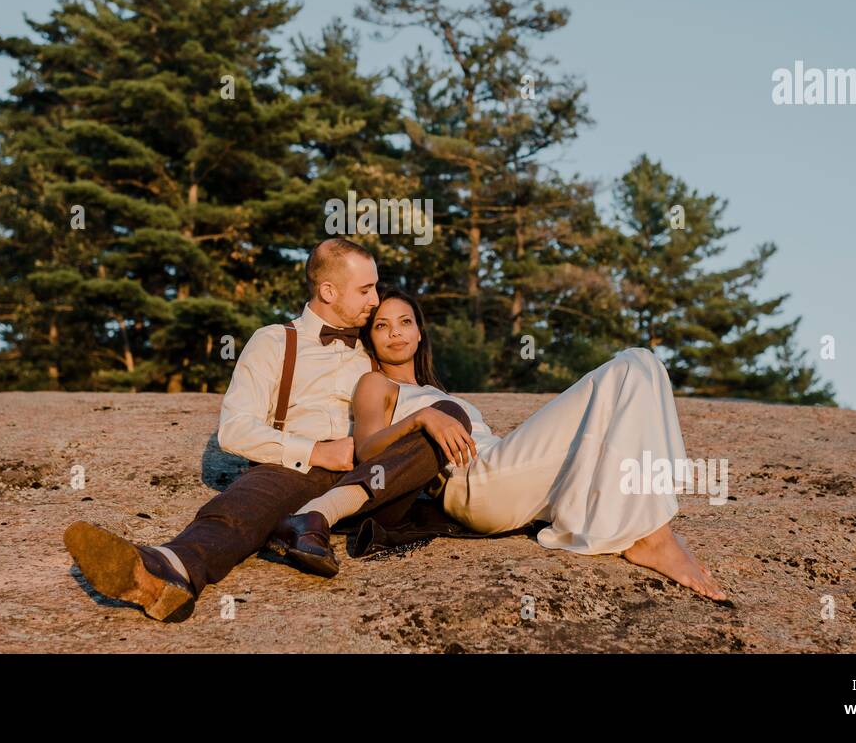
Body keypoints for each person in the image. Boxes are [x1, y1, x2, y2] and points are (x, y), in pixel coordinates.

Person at [62, 238, 470, 622]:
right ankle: (168, 572)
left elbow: (414, 399)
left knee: (437, 420)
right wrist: (315, 451)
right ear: (328, 291)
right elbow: (235, 430)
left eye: (375, 289)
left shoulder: (375, 346)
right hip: (293, 472)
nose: (375, 300)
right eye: (365, 290)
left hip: (372, 483)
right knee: (246, 502)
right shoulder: (274, 342)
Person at [291, 285, 728, 602]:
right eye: (382, 326)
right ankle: (654, 538)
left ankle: (639, 524)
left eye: (405, 322)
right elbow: (367, 451)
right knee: (634, 363)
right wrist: (421, 418)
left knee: (646, 366)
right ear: (371, 338)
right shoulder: (376, 384)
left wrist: (436, 407)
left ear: (420, 332)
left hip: (506, 474)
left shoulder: (444, 393)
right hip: (474, 484)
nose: (395, 333)